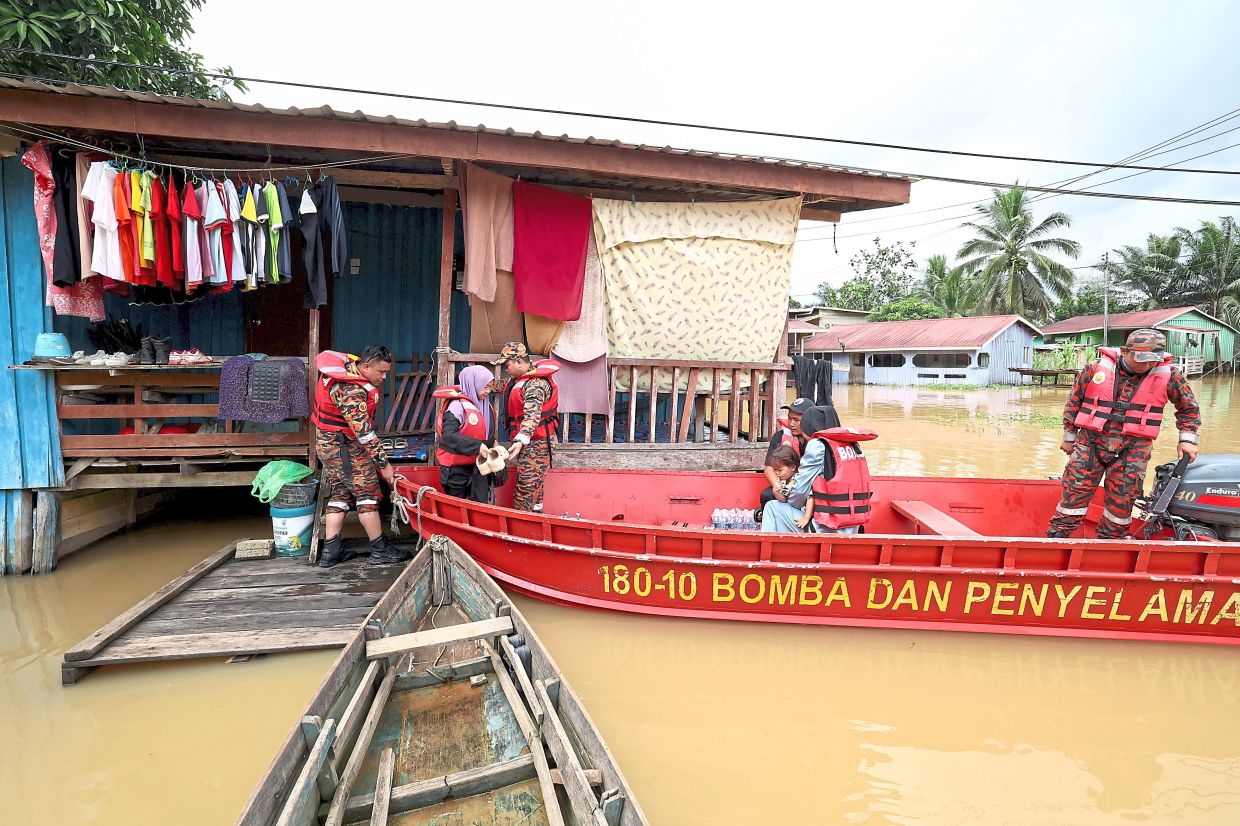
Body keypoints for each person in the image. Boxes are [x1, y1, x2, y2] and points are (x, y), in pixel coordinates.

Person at [1047, 329, 1201, 539]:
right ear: (1124, 351)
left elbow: (1188, 408)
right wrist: (1068, 436)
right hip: (1090, 445)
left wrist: (1187, 439)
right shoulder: (1094, 370)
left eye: (1151, 361)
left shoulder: (1170, 375)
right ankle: (1057, 540)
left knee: (1120, 508)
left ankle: (1110, 548)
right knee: (1072, 498)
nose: (1146, 366)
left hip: (1133, 451)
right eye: (1141, 360)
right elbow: (1074, 403)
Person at [312, 345, 411, 568]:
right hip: (344, 450)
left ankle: (330, 552)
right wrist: (384, 465)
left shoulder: (347, 369)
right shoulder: (351, 391)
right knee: (368, 494)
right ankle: (379, 550)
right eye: (381, 372)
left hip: (329, 448)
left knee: (339, 492)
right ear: (365, 366)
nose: (385, 377)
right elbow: (364, 434)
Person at [761, 406, 874, 534]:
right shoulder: (853, 445)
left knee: (772, 507)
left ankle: (768, 551)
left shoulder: (818, 445)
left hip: (827, 528)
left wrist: (786, 500)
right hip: (854, 526)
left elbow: (799, 491)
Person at [482, 341, 560, 512]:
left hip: (538, 445)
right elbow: (504, 385)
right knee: (534, 486)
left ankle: (520, 527)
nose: (505, 369)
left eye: (507, 365)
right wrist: (484, 384)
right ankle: (536, 516)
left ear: (519, 361)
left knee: (525, 489)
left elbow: (532, 416)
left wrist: (520, 440)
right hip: (530, 444)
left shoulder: (535, 385)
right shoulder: (518, 380)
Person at [434, 364, 502, 502]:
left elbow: (487, 433)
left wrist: (494, 446)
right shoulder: (456, 406)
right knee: (457, 510)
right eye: (485, 387)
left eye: (490, 387)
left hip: (479, 468)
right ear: (473, 384)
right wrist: (477, 447)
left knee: (480, 509)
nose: (488, 391)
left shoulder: (485, 405)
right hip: (456, 471)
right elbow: (448, 435)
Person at [755, 397, 817, 522]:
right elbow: (768, 469)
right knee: (767, 495)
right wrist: (779, 488)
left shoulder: (818, 441)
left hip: (811, 488)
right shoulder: (780, 437)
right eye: (789, 418)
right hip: (787, 484)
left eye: (796, 420)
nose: (791, 423)